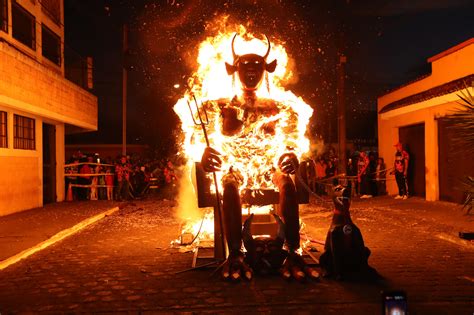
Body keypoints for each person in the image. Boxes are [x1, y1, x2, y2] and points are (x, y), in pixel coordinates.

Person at [200, 34, 318, 281]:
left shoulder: (281, 106)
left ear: (267, 69)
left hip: (267, 166)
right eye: (245, 66)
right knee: (230, 186)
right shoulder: (219, 106)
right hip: (235, 166)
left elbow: (291, 139)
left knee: (286, 182)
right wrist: (205, 151)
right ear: (234, 69)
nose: (251, 71)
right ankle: (235, 253)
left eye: (257, 66)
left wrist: (290, 153)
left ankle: (292, 250)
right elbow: (201, 137)